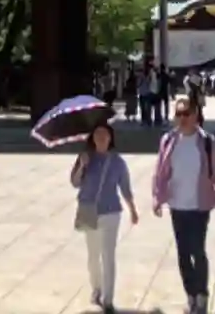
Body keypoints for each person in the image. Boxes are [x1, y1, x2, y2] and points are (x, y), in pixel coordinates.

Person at [152, 95, 215, 314]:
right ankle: (191, 295)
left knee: (197, 249)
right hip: (177, 205)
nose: (182, 118)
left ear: (196, 115)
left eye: (186, 113)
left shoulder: (207, 141)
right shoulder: (168, 140)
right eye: (178, 114)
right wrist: (157, 198)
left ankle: (202, 295)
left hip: (199, 205)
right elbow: (160, 173)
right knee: (183, 253)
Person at [72, 122, 138, 314]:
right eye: (97, 134)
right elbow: (75, 183)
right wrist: (81, 166)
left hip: (110, 212)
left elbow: (125, 187)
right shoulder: (85, 157)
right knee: (93, 256)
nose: (101, 138)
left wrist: (132, 209)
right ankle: (97, 290)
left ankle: (108, 299)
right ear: (92, 138)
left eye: (104, 134)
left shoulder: (117, 162)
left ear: (110, 138)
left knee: (108, 255)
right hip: (88, 210)